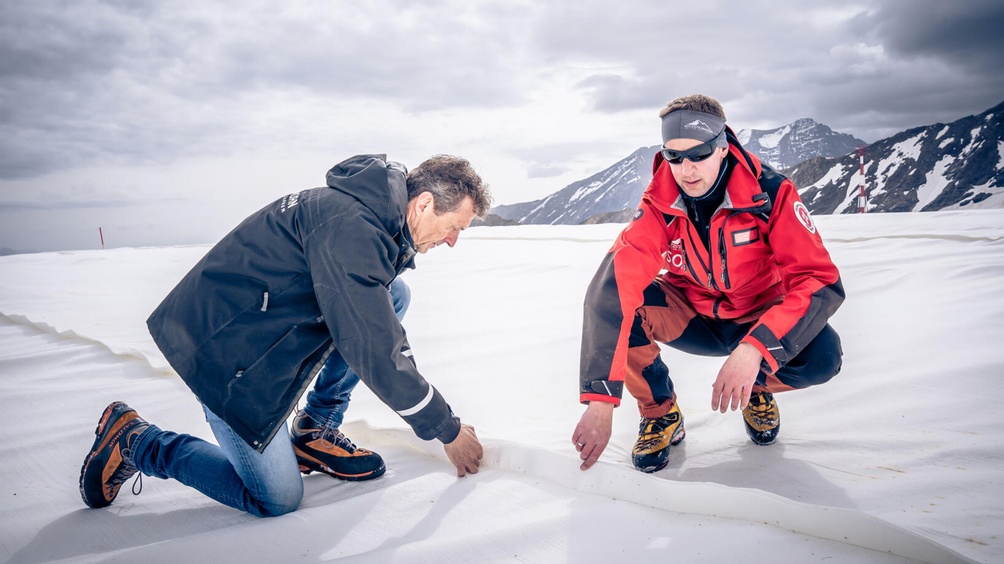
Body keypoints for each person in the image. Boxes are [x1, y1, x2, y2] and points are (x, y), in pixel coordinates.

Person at [80, 153, 492, 516]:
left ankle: (315, 428)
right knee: (276, 497)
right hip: (224, 354)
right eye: (454, 226)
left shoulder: (369, 216)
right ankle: (138, 442)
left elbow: (374, 326)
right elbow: (376, 350)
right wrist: (447, 430)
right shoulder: (352, 230)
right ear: (424, 203)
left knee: (393, 294)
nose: (453, 241)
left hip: (255, 329)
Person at [572, 94, 844, 473]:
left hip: (757, 316)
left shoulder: (770, 194)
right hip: (692, 316)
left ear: (723, 147)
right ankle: (661, 414)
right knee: (623, 304)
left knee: (824, 356)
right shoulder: (660, 203)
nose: (686, 170)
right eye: (673, 156)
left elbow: (818, 281)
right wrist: (601, 401)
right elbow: (613, 287)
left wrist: (756, 349)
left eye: (699, 154)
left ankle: (754, 387)